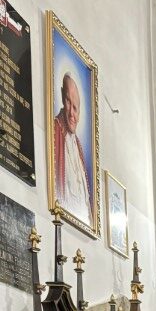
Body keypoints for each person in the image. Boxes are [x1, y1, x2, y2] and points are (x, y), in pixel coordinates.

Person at [53, 73, 92, 223]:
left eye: (75, 108)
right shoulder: (55, 130)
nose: (71, 114)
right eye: (68, 102)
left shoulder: (79, 147)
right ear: (62, 97)